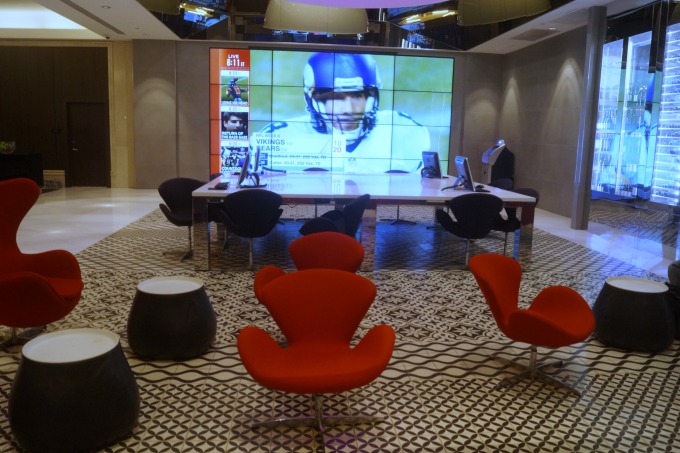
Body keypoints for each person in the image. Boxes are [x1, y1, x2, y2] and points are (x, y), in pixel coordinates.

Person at [251, 52, 431, 173]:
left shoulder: (404, 132)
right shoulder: (280, 136)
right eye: (335, 98)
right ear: (312, 100)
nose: (348, 109)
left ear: (372, 97)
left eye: (357, 95)